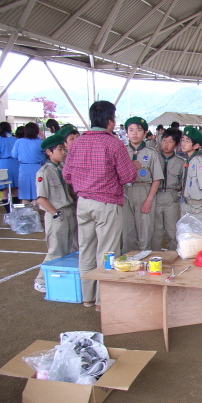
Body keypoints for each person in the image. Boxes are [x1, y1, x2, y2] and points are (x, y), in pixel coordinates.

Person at [62, 100, 136, 309]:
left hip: (83, 203)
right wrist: (134, 166)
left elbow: (66, 175)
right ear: (110, 121)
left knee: (86, 250)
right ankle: (102, 301)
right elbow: (128, 176)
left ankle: (88, 297)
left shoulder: (77, 143)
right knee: (107, 252)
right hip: (106, 203)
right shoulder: (113, 144)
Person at [32, 134, 78, 293]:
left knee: (71, 249)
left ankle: (65, 280)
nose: (64, 152)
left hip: (69, 212)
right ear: (49, 152)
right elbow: (41, 199)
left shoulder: (62, 169)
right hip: (57, 215)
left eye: (64, 149)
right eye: (60, 150)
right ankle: (41, 280)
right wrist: (56, 214)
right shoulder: (44, 172)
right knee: (56, 251)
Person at [121, 116, 162, 254]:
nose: (134, 133)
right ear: (126, 133)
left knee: (145, 230)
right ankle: (128, 261)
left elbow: (157, 179)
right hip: (125, 192)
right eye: (131, 130)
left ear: (145, 134)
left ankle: (144, 260)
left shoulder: (151, 153)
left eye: (138, 130)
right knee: (127, 231)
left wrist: (149, 200)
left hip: (144, 191)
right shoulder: (121, 152)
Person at [151, 127, 184, 251]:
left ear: (176, 144)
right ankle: (154, 257)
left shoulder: (180, 162)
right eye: (164, 140)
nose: (166, 144)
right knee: (155, 232)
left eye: (170, 141)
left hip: (172, 198)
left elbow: (183, 182)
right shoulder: (154, 158)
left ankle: (173, 257)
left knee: (172, 232)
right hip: (155, 197)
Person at [179, 127, 202, 224]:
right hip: (186, 205)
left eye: (187, 141)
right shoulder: (188, 161)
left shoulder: (199, 162)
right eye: (183, 140)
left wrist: (197, 195)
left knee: (196, 233)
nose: (183, 143)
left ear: (196, 146)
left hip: (196, 208)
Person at [11, 122, 45, 204]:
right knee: (37, 194)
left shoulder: (19, 142)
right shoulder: (40, 142)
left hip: (24, 168)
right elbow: (45, 155)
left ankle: (25, 211)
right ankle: (35, 211)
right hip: (37, 167)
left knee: (24, 195)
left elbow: (14, 155)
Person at [0, 121, 19, 211]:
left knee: (5, 190)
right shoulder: (15, 139)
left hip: (3, 164)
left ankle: (9, 212)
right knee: (15, 189)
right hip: (15, 164)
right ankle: (16, 212)